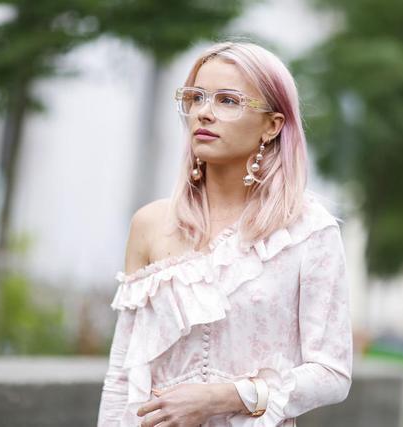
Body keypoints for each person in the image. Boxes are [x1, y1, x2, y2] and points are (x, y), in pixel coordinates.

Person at [97, 40, 353, 427]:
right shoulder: (150, 224)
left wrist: (224, 397)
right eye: (196, 97)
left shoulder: (308, 231)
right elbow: (121, 376)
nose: (204, 112)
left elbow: (332, 374)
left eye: (227, 101)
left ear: (272, 125)